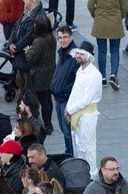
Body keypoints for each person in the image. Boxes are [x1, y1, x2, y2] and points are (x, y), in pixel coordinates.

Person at [65, 48, 102, 174]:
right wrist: (68, 108)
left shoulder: (94, 74)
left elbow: (86, 99)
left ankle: (91, 173)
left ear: (88, 56)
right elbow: (75, 92)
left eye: (82, 54)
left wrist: (70, 109)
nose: (78, 56)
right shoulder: (80, 71)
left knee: (88, 146)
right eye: (77, 53)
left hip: (87, 115)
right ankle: (80, 172)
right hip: (76, 113)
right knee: (77, 144)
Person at [50, 27, 79, 156]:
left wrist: (65, 89)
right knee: (63, 129)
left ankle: (71, 155)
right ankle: (69, 153)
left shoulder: (75, 56)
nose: (63, 40)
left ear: (71, 37)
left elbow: (79, 79)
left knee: (68, 131)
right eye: (60, 38)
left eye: (65, 37)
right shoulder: (62, 52)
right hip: (58, 97)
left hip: (67, 98)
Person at [88, 0, 125, 88]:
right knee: (115, 51)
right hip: (115, 21)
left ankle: (102, 78)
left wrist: (95, 14)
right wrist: (120, 16)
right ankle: (113, 76)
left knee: (102, 51)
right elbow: (125, 7)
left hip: (100, 21)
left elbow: (90, 5)